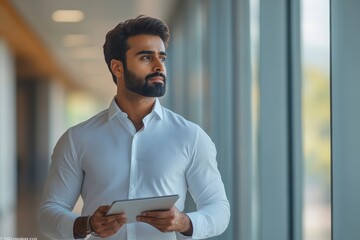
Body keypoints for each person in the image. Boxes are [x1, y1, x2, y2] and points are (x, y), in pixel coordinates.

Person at [38, 15, 230, 240]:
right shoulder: (77, 138)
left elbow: (219, 209)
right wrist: (86, 224)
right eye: (146, 57)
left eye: (162, 58)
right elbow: (48, 213)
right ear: (117, 68)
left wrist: (183, 221)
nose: (159, 66)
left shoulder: (191, 136)